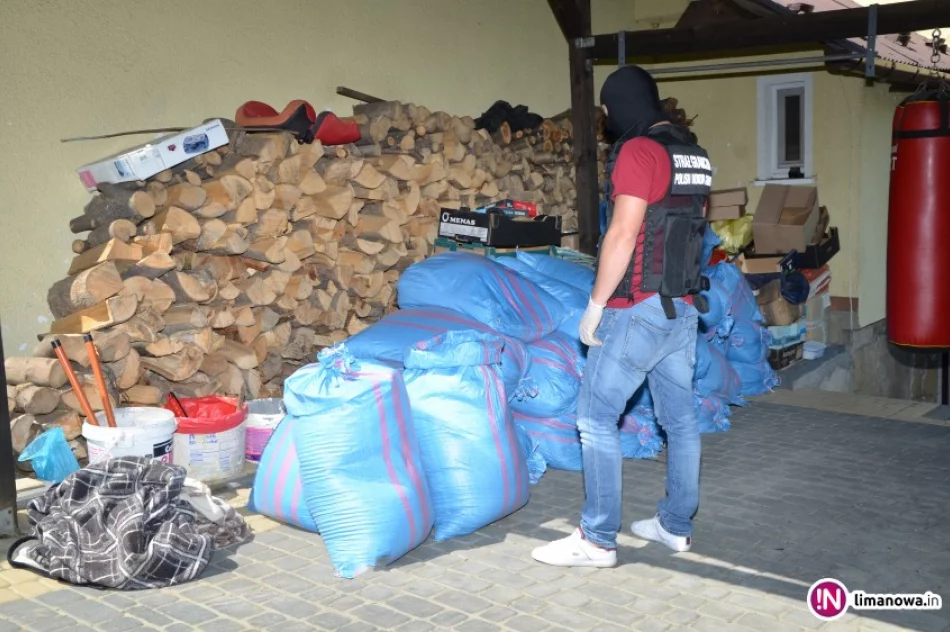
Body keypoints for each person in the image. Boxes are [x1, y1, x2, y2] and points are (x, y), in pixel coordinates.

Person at [531, 65, 713, 568]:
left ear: (624, 104)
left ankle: (597, 538)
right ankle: (675, 526)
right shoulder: (693, 154)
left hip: (639, 309)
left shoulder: (639, 151)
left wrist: (594, 305)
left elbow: (623, 233)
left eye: (609, 111)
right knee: (679, 422)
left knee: (594, 418)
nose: (609, 121)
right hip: (683, 310)